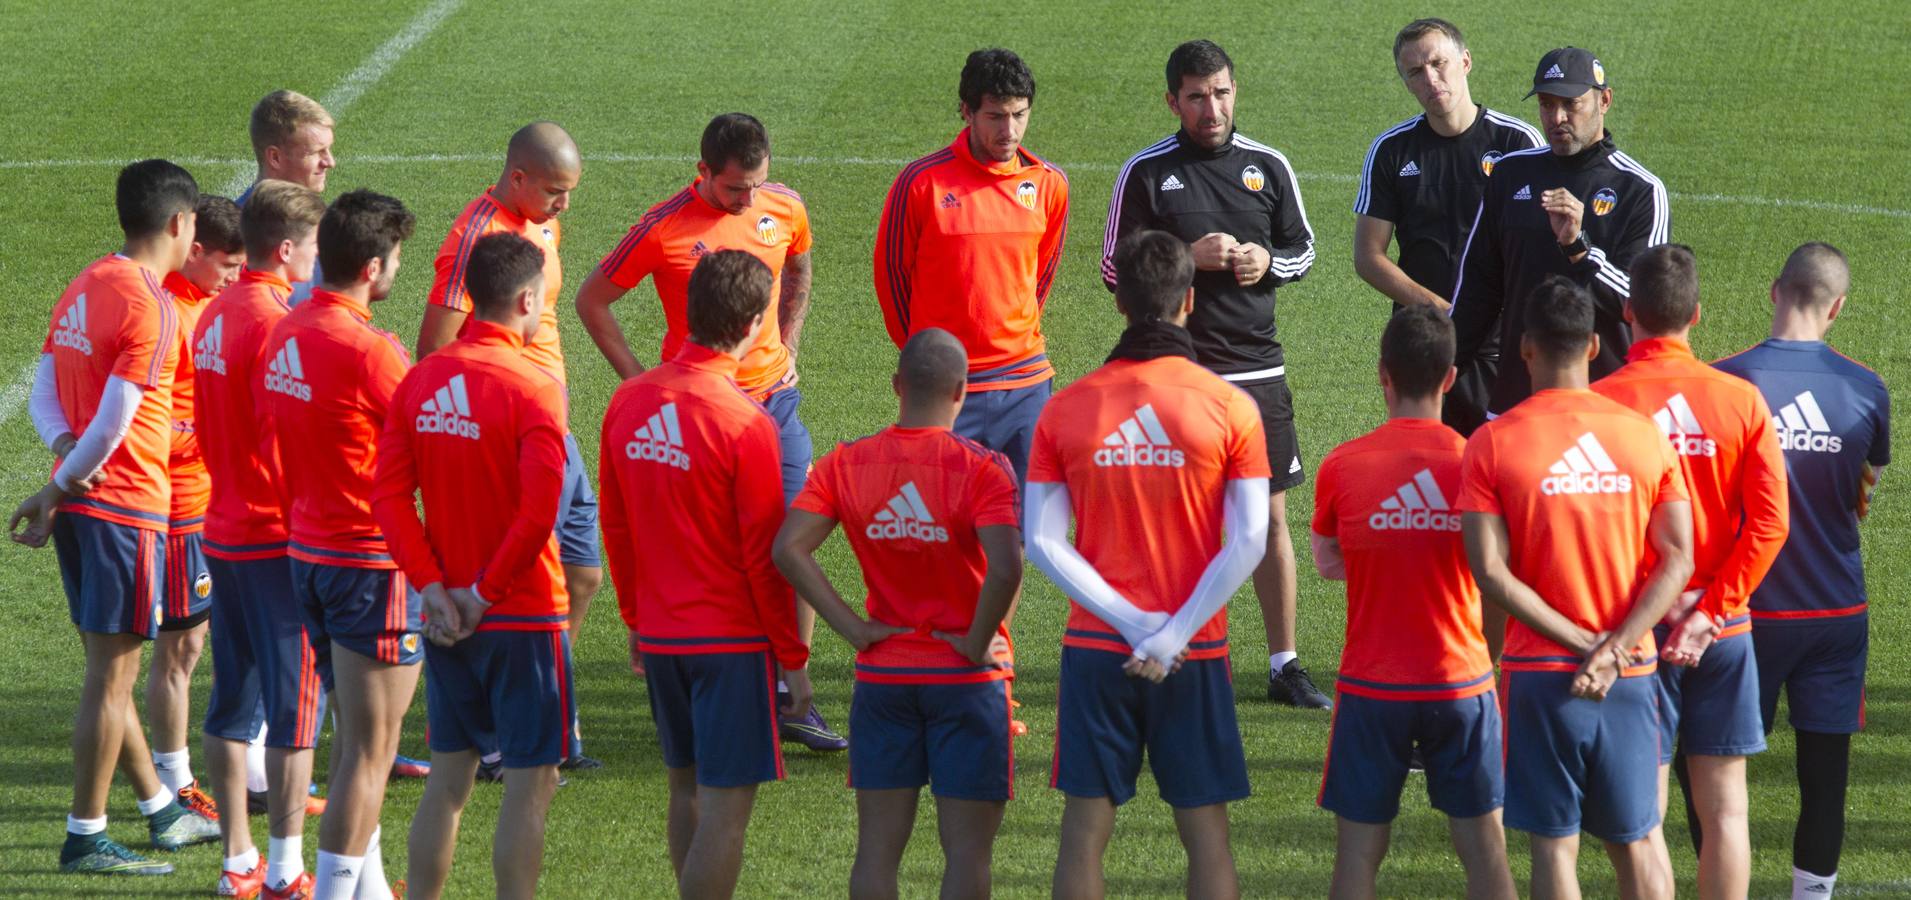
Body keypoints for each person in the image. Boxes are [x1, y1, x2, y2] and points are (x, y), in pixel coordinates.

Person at [577, 112, 837, 750]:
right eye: (733, 191)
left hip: (772, 403)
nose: (748, 200)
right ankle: (710, 676)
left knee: (792, 537)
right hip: (700, 412)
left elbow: (798, 270)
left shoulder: (785, 208)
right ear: (703, 174)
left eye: (755, 186)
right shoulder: (663, 228)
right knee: (711, 547)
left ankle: (796, 695)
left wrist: (791, 337)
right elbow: (592, 300)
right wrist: (642, 381)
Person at [1028, 231, 1268, 899]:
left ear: (1121, 305)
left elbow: (1044, 542)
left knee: (1083, 830)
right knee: (1206, 834)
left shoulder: (1063, 408)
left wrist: (1133, 622)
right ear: (1189, 300)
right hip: (1194, 651)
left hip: (1095, 649)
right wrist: (1170, 633)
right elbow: (1248, 540)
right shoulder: (1230, 408)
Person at [1101, 39, 1326, 709]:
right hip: (1175, 371)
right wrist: (1182, 255)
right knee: (1177, 519)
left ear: (1235, 91)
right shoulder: (1145, 172)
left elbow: (1303, 249)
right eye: (1196, 96)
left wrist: (1266, 260)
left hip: (1258, 367)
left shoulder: (1267, 165)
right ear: (1172, 101)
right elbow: (1114, 269)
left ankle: (1283, 663)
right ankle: (1178, 651)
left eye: (1221, 92)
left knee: (1270, 519)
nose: (1211, 108)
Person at [13, 159, 220, 876]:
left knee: (111, 667)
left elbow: (47, 393)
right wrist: (65, 482)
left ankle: (162, 812)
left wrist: (60, 474)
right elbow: (117, 422)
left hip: (83, 506)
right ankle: (86, 836)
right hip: (125, 509)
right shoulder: (150, 305)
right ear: (176, 223)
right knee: (110, 679)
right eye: (194, 222)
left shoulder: (85, 284)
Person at [1458, 277, 1694, 900]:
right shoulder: (1645, 436)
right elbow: (1678, 558)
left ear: (1526, 347)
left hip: (1539, 676)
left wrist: (1578, 641)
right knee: (1638, 842)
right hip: (1631, 672)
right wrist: (1613, 650)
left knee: (1554, 848)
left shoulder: (1492, 442)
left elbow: (1488, 572)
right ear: (1594, 346)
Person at [773, 328, 1024, 900]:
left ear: (896, 386)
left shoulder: (847, 463)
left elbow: (788, 549)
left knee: (876, 854)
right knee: (966, 855)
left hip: (884, 677)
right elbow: (1007, 568)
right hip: (967, 681)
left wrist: (856, 630)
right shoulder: (984, 469)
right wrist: (975, 640)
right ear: (961, 391)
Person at [599, 250, 811, 899]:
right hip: (730, 645)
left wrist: (636, 618)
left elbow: (619, 526)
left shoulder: (629, 402)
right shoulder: (746, 424)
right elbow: (762, 554)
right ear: (753, 324)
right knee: (725, 810)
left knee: (685, 789)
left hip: (663, 636)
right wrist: (791, 657)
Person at [376, 233, 574, 900]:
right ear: (525, 300)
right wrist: (484, 593)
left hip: (445, 618)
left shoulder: (420, 379)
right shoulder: (535, 387)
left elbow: (389, 497)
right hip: (521, 614)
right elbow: (538, 514)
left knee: (448, 779)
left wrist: (433, 589)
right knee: (531, 782)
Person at [1589, 244, 1789, 900]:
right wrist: (1709, 612)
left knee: (1642, 819)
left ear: (1626, 313)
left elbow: (1592, 524)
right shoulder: (1739, 401)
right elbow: (1769, 525)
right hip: (1722, 632)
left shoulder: (1599, 405)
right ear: (1696, 315)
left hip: (1635, 633)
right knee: (1726, 809)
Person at [1310, 306, 1516, 900]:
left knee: (1356, 857)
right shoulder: (1479, 461)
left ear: (1383, 373)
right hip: (1462, 681)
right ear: (1451, 377)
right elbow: (1497, 570)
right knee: (1485, 853)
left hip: (1371, 686)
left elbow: (1328, 564)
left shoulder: (1342, 466)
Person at [418, 121, 601, 774]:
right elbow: (434, 352)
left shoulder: (542, 223)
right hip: (509, 430)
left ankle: (549, 710)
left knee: (582, 574)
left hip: (554, 427)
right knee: (511, 579)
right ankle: (494, 729)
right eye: (555, 191)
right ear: (518, 178)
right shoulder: (475, 237)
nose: (564, 205)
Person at [1714, 243, 1889, 900]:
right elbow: (1859, 488)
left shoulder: (1723, 382)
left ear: (1773, 290)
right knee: (1825, 778)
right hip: (1835, 612)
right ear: (1836, 307)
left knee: (1714, 773)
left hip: (1745, 613)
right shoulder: (1866, 386)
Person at [262, 188, 418, 900]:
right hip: (371, 563)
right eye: (395, 261)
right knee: (369, 751)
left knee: (356, 737)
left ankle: (371, 889)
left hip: (309, 553)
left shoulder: (283, 332)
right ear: (371, 266)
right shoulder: (371, 351)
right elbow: (434, 443)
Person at [192, 179, 332, 898]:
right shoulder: (277, 323)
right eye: (313, 246)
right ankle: (284, 870)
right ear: (287, 249)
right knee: (293, 709)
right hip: (278, 535)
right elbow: (288, 430)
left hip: (223, 526)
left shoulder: (214, 311)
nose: (319, 257)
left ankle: (237, 860)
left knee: (230, 703)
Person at [874, 48, 1069, 483]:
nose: (1010, 130)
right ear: (967, 112)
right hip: (946, 385)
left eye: (1020, 115)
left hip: (1025, 381)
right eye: (996, 116)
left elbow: (1041, 274)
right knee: (942, 523)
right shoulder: (921, 182)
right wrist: (927, 354)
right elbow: (891, 276)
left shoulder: (1048, 185)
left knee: (1020, 527)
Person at [1450, 47, 1669, 417]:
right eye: (1547, 105)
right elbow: (1476, 290)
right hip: (1516, 402)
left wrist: (1579, 248)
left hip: (1605, 408)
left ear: (1605, 101)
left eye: (1571, 104)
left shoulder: (1640, 190)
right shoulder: (1510, 175)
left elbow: (1644, 305)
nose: (1557, 117)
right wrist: (1436, 372)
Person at [1352, 18, 1542, 435]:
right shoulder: (1391, 151)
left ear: (1466, 61)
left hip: (1500, 342)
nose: (1431, 79)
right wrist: (1439, 310)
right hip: (1425, 343)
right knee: (1427, 470)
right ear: (1406, 83)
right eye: (1415, 72)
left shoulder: (1518, 144)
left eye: (1439, 63)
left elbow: (1541, 248)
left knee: (1501, 463)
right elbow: (1368, 256)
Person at [145, 194, 244, 823]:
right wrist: (220, 431)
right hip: (182, 508)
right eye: (228, 265)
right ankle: (173, 777)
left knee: (202, 642)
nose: (236, 277)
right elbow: (154, 423)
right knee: (180, 648)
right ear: (196, 249)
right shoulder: (168, 312)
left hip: (217, 501)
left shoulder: (210, 302)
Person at [236, 89, 337, 304]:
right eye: (316, 152)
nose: (329, 162)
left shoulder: (328, 226)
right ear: (275, 157)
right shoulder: (231, 237)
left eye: (328, 150)